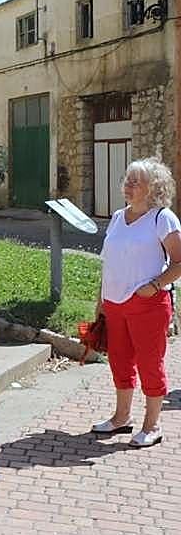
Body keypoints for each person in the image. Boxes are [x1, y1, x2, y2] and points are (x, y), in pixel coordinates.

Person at [91, 158, 181, 448]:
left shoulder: (162, 218)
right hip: (114, 302)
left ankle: (152, 425)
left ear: (153, 187)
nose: (127, 186)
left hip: (148, 304)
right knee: (119, 360)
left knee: (149, 363)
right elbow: (108, 262)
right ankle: (121, 417)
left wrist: (154, 286)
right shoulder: (118, 217)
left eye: (135, 182)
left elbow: (179, 262)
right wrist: (100, 300)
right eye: (126, 180)